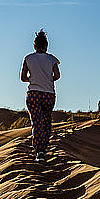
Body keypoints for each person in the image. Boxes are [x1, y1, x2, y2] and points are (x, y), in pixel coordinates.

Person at [20, 29, 61, 162]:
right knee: (46, 121)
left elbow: (22, 77)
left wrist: (33, 79)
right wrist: (47, 79)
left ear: (34, 46)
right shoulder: (52, 59)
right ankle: (44, 147)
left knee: (36, 122)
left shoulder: (28, 58)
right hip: (49, 94)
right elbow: (57, 76)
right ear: (46, 46)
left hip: (33, 94)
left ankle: (40, 151)